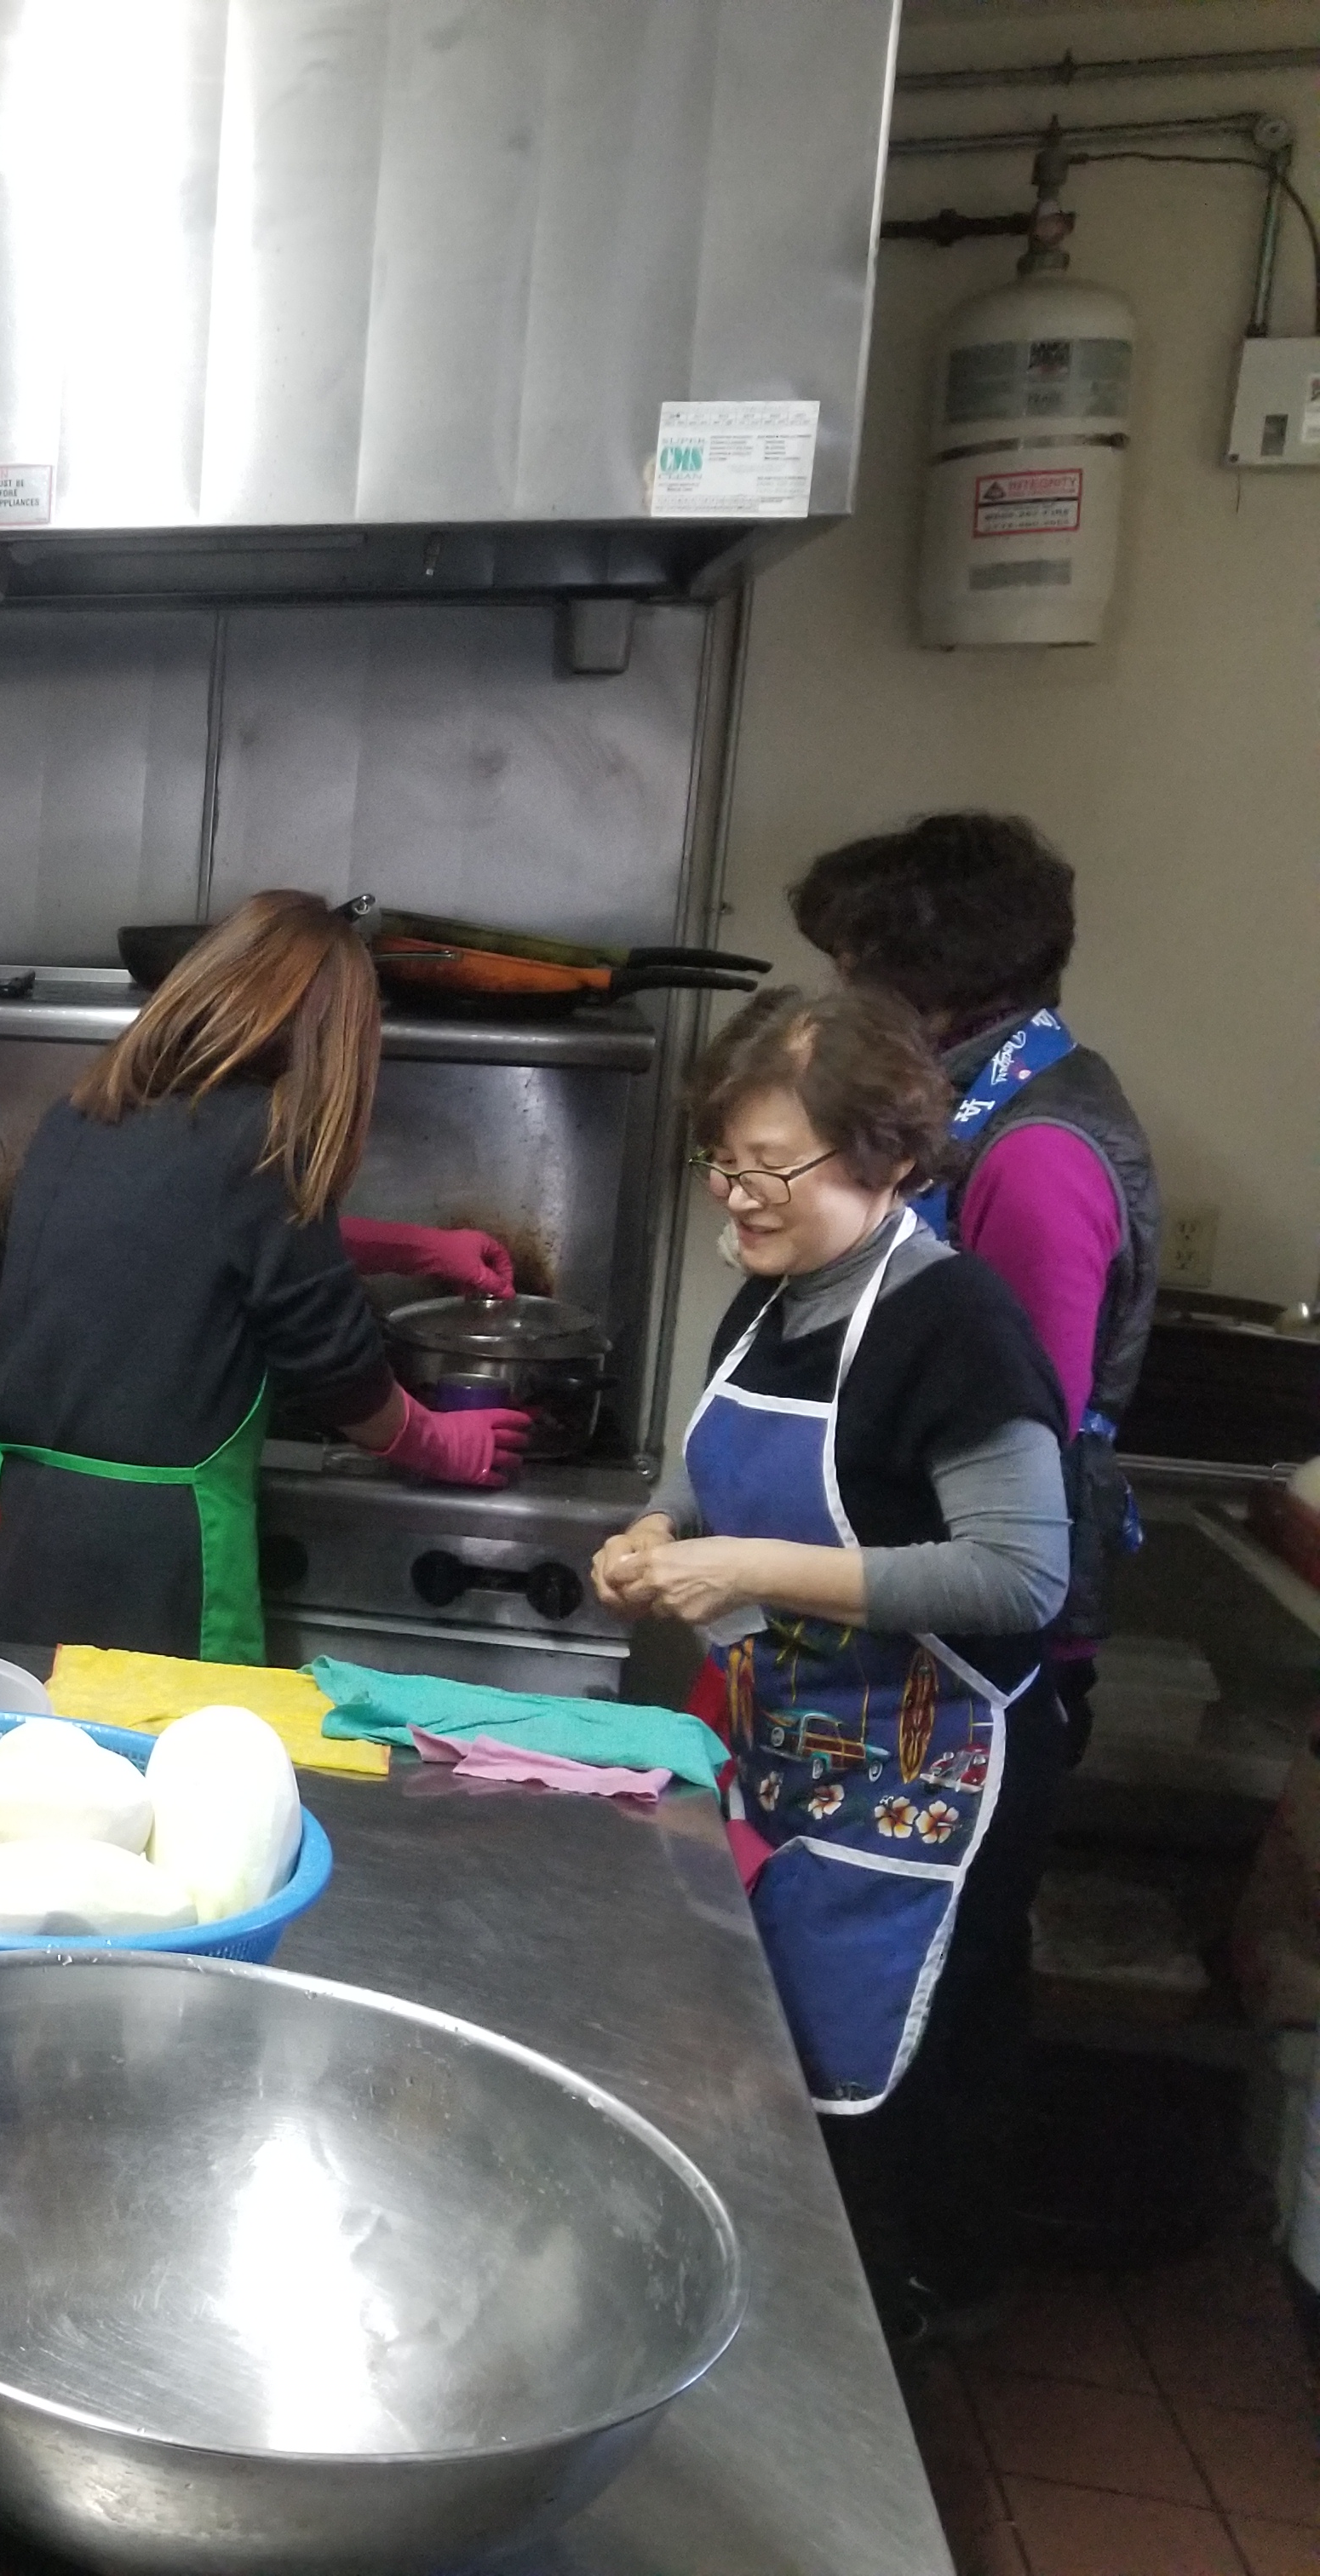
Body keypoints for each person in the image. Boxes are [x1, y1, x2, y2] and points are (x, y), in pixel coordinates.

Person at [591, 985, 1071, 2335]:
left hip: (926, 1788)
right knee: (764, 2087)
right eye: (723, 1164)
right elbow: (702, 1477)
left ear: (889, 1157)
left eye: (773, 1169)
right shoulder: (776, 1298)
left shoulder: (954, 1323)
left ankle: (874, 2374)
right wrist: (656, 1535)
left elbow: (1020, 1575)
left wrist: (750, 1569)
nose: (738, 1198)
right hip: (790, 1762)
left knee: (861, 2127)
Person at [0, 890, 533, 1664]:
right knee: (156, 1746)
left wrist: (417, 1250)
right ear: (329, 1042)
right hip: (155, 1561)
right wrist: (442, 1445)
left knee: (17, 1735)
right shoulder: (264, 1144)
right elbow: (342, 1380)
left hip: (13, 1527)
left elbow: (201, 1238)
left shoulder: (84, 1114)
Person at [790, 812, 1158, 1765]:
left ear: (928, 983)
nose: (843, 999)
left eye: (852, 971)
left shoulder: (1037, 1155)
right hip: (909, 1605)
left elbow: (1016, 1423)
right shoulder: (982, 1099)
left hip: (979, 1649)